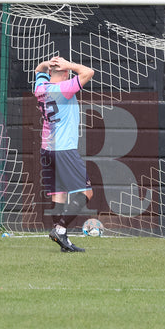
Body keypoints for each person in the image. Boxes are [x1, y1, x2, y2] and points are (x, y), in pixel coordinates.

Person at [34, 56, 95, 252]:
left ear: (50, 73)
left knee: (58, 195)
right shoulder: (65, 89)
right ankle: (60, 230)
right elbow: (88, 72)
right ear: (66, 73)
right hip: (63, 148)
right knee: (86, 192)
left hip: (47, 149)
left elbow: (38, 70)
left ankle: (62, 240)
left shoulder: (41, 87)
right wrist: (69, 64)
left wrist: (47, 64)